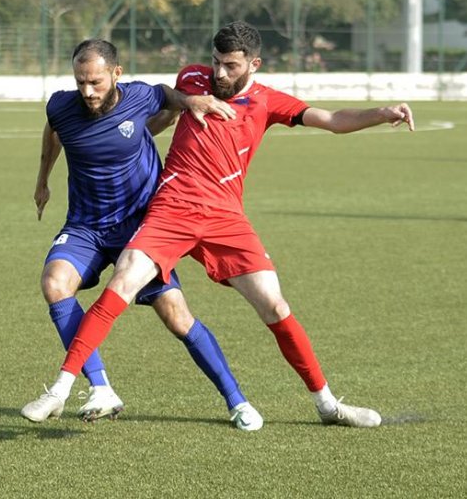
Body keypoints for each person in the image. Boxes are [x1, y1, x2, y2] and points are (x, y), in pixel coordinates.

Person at [23, 21, 415, 428]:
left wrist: (383, 113)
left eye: (230, 65)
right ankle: (64, 388)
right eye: (216, 62)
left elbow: (332, 119)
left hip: (225, 217)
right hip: (171, 208)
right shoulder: (192, 77)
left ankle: (328, 405)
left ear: (253, 64)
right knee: (123, 280)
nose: (220, 74)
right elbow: (166, 112)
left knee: (274, 305)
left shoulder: (268, 102)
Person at [22, 39, 263, 431]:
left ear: (116, 74)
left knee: (176, 316)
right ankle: (101, 388)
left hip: (140, 228)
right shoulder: (61, 105)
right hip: (85, 226)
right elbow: (53, 132)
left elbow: (166, 95)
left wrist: (191, 102)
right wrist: (42, 180)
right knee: (54, 283)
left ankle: (237, 400)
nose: (87, 91)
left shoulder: (139, 96)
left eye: (96, 82)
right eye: (81, 82)